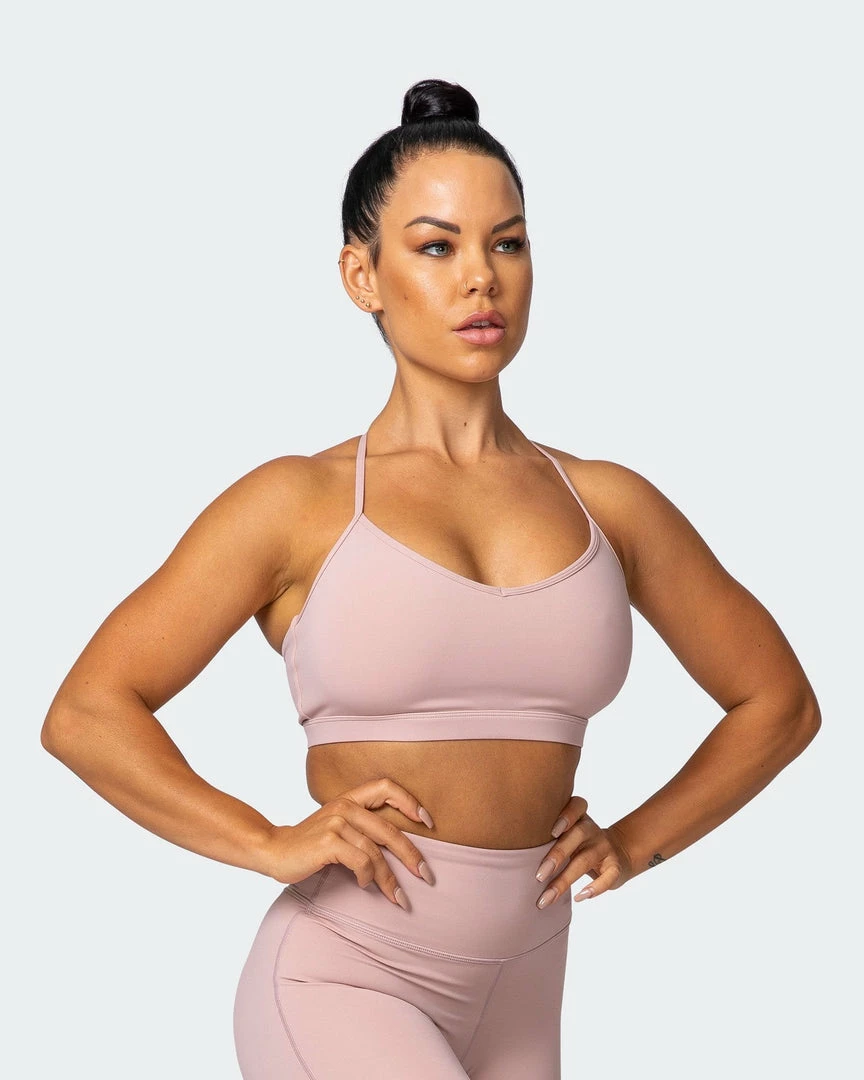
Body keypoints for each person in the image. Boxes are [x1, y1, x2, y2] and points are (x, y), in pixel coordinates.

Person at [41, 77, 821, 1079]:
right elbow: (89, 712)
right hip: (343, 977)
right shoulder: (299, 502)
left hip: (526, 993)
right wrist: (266, 840)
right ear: (361, 275)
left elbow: (778, 703)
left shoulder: (609, 505)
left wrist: (637, 842)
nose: (481, 279)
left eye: (509, 243)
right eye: (437, 247)